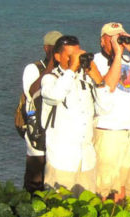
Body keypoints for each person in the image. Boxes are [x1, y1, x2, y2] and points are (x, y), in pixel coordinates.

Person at [93, 21, 130, 203]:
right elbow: (108, 85)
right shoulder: (96, 61)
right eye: (113, 38)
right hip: (107, 130)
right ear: (103, 41)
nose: (118, 41)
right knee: (105, 185)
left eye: (121, 37)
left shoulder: (128, 61)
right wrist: (118, 54)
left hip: (128, 130)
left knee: (125, 183)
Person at [39, 35, 107, 195]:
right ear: (57, 56)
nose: (75, 60)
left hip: (87, 161)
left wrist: (98, 79)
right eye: (70, 56)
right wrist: (71, 70)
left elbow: (105, 109)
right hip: (62, 160)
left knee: (87, 211)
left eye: (77, 55)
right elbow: (55, 96)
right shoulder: (50, 79)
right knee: (58, 210)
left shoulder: (87, 80)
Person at [21, 30, 62, 193]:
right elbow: (31, 92)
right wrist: (52, 63)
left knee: (54, 182)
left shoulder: (66, 72)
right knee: (35, 182)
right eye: (56, 47)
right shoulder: (34, 68)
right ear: (47, 48)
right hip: (37, 134)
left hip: (57, 134)